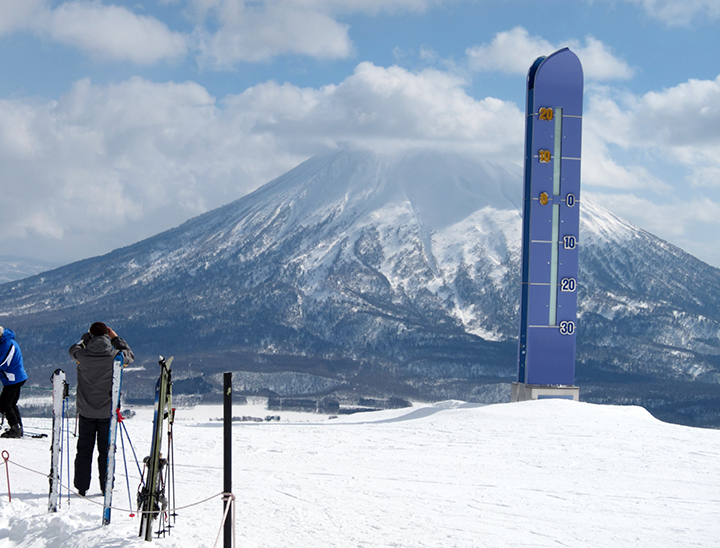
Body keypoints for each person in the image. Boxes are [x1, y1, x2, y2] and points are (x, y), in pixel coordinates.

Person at [68, 322, 134, 497]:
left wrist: (85, 339)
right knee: (106, 450)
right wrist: (115, 339)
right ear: (106, 335)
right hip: (108, 412)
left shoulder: (82, 355)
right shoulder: (115, 356)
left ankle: (82, 487)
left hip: (86, 411)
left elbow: (73, 349)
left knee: (84, 449)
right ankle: (106, 486)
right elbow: (130, 355)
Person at [0, 326, 28, 439]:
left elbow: (3, 362)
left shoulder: (8, 344)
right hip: (12, 378)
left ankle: (15, 428)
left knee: (5, 404)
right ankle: (17, 427)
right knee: (10, 403)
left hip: (14, 378)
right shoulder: (4, 342)